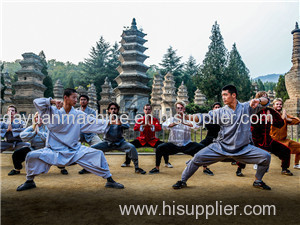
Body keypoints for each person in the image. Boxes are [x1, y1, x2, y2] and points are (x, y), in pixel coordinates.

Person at [16, 88, 124, 191]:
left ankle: (109, 180)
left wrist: (111, 122)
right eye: (74, 97)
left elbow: (93, 122)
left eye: (77, 98)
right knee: (31, 156)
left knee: (98, 154)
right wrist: (52, 101)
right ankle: (29, 181)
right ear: (65, 97)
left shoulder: (78, 114)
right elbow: (36, 102)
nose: (76, 100)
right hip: (53, 150)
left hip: (74, 150)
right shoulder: (51, 111)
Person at [172, 85, 272, 190]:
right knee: (197, 158)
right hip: (221, 147)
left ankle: (258, 181)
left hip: (243, 148)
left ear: (234, 95)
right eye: (222, 95)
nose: (223, 97)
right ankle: (182, 181)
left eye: (225, 95)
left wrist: (258, 99)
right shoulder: (220, 112)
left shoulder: (247, 107)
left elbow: (267, 101)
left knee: (266, 157)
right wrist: (187, 117)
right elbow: (204, 116)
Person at [149, 101, 214, 175]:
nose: (180, 110)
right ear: (176, 109)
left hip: (186, 144)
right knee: (160, 148)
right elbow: (164, 126)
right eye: (178, 108)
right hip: (174, 144)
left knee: (202, 148)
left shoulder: (188, 119)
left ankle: (205, 168)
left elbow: (196, 127)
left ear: (184, 109)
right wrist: (172, 125)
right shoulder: (172, 119)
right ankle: (156, 168)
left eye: (181, 108)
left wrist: (186, 123)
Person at [91, 102, 146, 175]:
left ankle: (137, 168)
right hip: (107, 143)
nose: (113, 110)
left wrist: (121, 124)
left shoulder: (121, 119)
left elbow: (127, 126)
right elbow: (98, 128)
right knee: (92, 148)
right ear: (108, 110)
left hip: (120, 142)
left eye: (115, 109)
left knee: (132, 147)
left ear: (117, 110)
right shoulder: (104, 120)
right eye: (111, 109)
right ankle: (89, 167)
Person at [251, 92, 293, 176]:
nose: (265, 99)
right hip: (254, 141)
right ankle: (239, 169)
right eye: (263, 97)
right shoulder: (252, 110)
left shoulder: (270, 111)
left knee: (286, 150)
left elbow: (280, 124)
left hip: (267, 140)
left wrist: (279, 117)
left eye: (266, 98)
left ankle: (284, 169)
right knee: (242, 153)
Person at [200, 102, 246, 177]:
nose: (217, 108)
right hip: (210, 139)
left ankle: (239, 169)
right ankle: (205, 168)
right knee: (200, 148)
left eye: (219, 107)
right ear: (213, 109)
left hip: (224, 140)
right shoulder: (209, 118)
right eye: (216, 107)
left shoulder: (226, 119)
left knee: (242, 148)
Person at [121, 104, 171, 168]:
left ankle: (167, 162)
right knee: (130, 145)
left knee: (164, 146)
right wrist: (143, 125)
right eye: (146, 109)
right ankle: (127, 162)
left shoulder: (155, 120)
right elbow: (135, 128)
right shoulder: (140, 120)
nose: (147, 111)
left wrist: (151, 125)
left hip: (152, 140)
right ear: (144, 110)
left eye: (149, 109)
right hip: (142, 139)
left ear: (151, 110)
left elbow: (159, 128)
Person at [270, 98, 300, 169]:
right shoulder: (270, 115)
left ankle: (296, 164)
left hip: (283, 140)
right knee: (261, 150)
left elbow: (297, 120)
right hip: (272, 140)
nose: (279, 106)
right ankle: (258, 164)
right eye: (277, 104)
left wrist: (287, 119)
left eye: (280, 104)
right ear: (273, 105)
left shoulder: (284, 115)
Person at [77, 94, 102, 174]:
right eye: (81, 100)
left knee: (100, 145)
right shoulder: (75, 111)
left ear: (87, 101)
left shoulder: (92, 111)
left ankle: (91, 166)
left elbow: (93, 122)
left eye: (84, 99)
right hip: (78, 134)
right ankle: (63, 166)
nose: (82, 101)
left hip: (90, 133)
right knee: (66, 145)